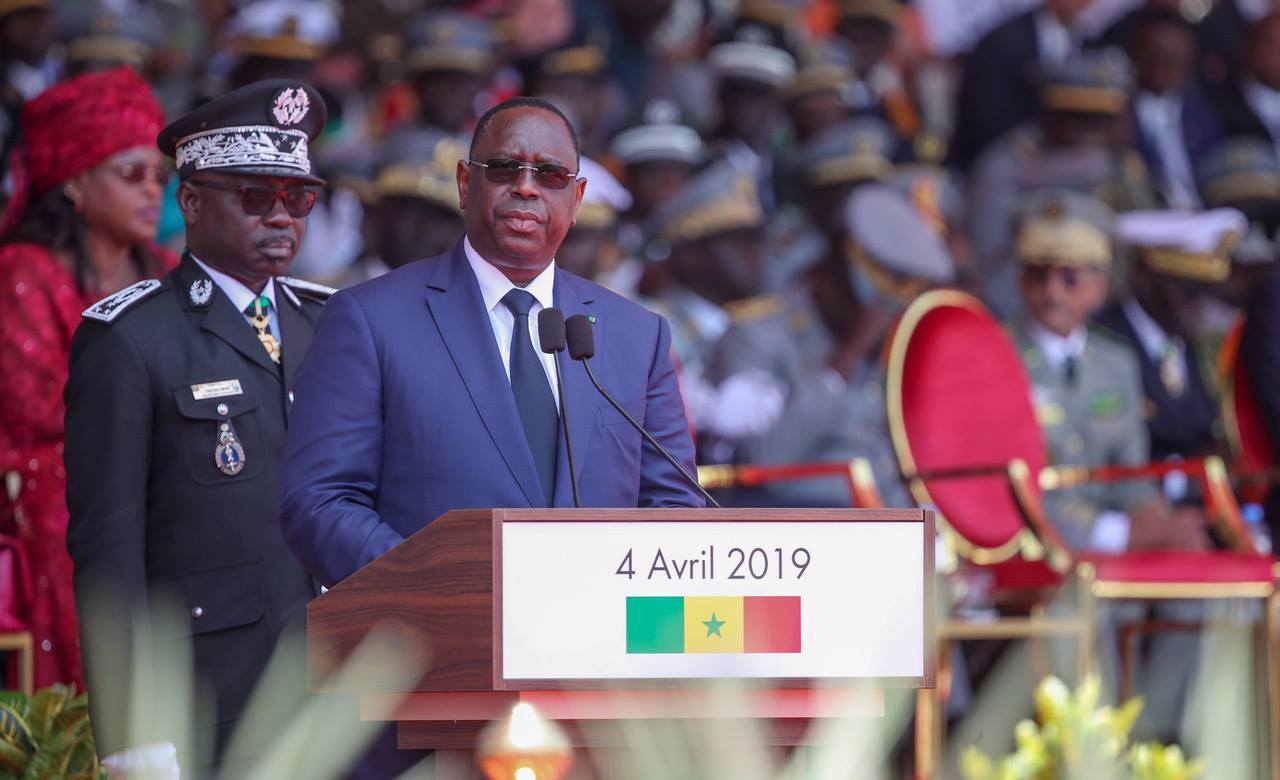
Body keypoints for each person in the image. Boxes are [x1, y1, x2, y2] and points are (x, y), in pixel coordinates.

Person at [281, 95, 703, 591]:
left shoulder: (637, 335)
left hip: (596, 649)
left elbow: (673, 506)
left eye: (549, 176)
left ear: (577, 198)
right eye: (504, 169)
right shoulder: (369, 319)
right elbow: (320, 501)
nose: (526, 188)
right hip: (435, 641)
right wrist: (436, 592)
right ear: (465, 184)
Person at [64, 79, 331, 771]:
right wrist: (131, 733)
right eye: (254, 197)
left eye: (297, 198)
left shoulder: (330, 323)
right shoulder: (130, 337)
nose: (282, 218)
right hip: (208, 696)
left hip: (337, 686)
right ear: (189, 202)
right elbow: (109, 553)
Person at [0, 67, 171, 694]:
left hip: (161, 457)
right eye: (132, 175)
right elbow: (36, 409)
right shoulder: (24, 271)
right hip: (56, 475)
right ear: (75, 180)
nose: (154, 193)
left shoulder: (172, 272)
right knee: (70, 494)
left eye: (162, 177)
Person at [706, 185, 953, 508]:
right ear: (837, 264)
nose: (883, 311)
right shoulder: (759, 334)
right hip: (801, 536)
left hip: (890, 526)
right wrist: (844, 360)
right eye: (879, 292)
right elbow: (762, 458)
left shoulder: (893, 344)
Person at [644, 161, 785, 461]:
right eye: (738, 241)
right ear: (691, 256)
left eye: (757, 238)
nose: (756, 251)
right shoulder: (652, 328)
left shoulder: (769, 319)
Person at [951, 0, 1096, 168]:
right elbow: (984, 124)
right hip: (1005, 164)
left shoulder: (1089, 43)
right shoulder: (1001, 44)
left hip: (1064, 165)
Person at [339, 128, 466, 288]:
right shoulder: (326, 301)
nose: (428, 228)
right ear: (378, 213)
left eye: (444, 217)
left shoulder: (471, 309)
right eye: (414, 209)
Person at [1124, 8, 1223, 208]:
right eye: (1157, 55)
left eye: (1177, 57)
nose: (1168, 66)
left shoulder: (1203, 117)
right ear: (1135, 54)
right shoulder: (1117, 115)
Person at [555, 156, 631, 282]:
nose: (559, 250)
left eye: (574, 238)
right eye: (550, 235)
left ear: (605, 244)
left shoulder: (620, 301)